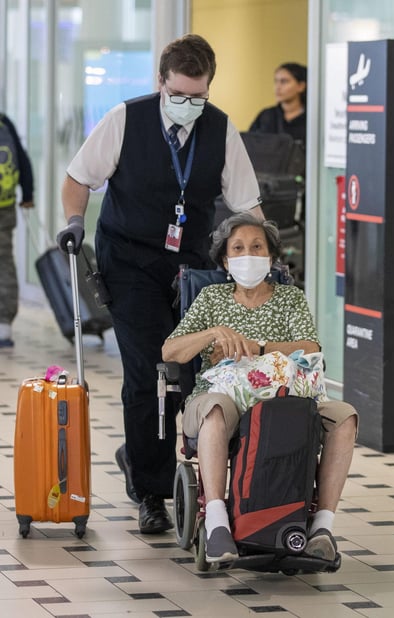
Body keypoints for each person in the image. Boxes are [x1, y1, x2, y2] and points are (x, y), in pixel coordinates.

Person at [56, 34, 264, 534]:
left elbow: (246, 204)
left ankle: (148, 458)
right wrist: (74, 220)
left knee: (194, 373)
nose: (188, 106)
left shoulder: (219, 130)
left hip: (189, 266)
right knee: (152, 370)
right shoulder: (125, 119)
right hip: (127, 261)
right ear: (161, 83)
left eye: (198, 97)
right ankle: (151, 491)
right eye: (179, 96)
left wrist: (264, 252)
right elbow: (78, 178)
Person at [162, 212, 358, 564]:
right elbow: (169, 351)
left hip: (285, 398)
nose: (248, 255)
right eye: (238, 248)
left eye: (257, 247)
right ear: (225, 259)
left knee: (344, 418)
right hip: (222, 397)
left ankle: (322, 528)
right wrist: (212, 334)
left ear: (270, 257)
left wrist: (258, 347)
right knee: (216, 410)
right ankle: (218, 523)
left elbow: (311, 348)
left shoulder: (289, 299)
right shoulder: (211, 298)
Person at [0, 113, 34, 347]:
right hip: (5, 205)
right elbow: (21, 158)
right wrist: (28, 194)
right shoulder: (3, 122)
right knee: (4, 263)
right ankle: (3, 325)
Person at [249, 62, 307, 143]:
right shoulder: (266, 116)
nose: (277, 87)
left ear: (301, 86)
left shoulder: (310, 119)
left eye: (284, 81)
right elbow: (249, 144)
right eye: (276, 81)